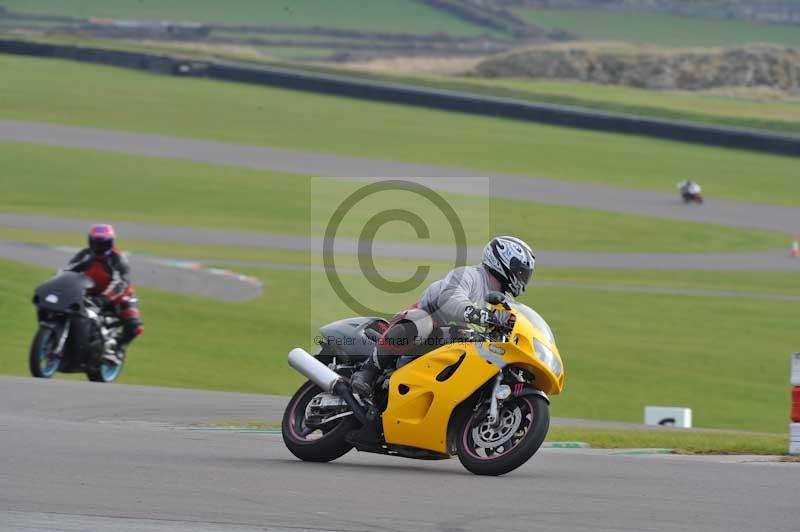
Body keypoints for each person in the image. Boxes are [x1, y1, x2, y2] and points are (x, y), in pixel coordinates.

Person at [351, 236, 535, 397]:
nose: (523, 277)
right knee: (421, 322)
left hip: (457, 350)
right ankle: (368, 372)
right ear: (501, 262)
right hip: (424, 335)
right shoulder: (469, 275)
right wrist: (474, 313)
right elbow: (450, 299)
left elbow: (514, 326)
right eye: (520, 272)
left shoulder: (504, 303)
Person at [65, 224, 143, 365]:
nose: (99, 247)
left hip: (119, 296)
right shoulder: (85, 255)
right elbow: (68, 271)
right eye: (95, 243)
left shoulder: (117, 258)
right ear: (90, 241)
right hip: (90, 293)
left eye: (103, 243)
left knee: (134, 324)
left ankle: (118, 349)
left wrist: (104, 298)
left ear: (111, 243)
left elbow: (120, 283)